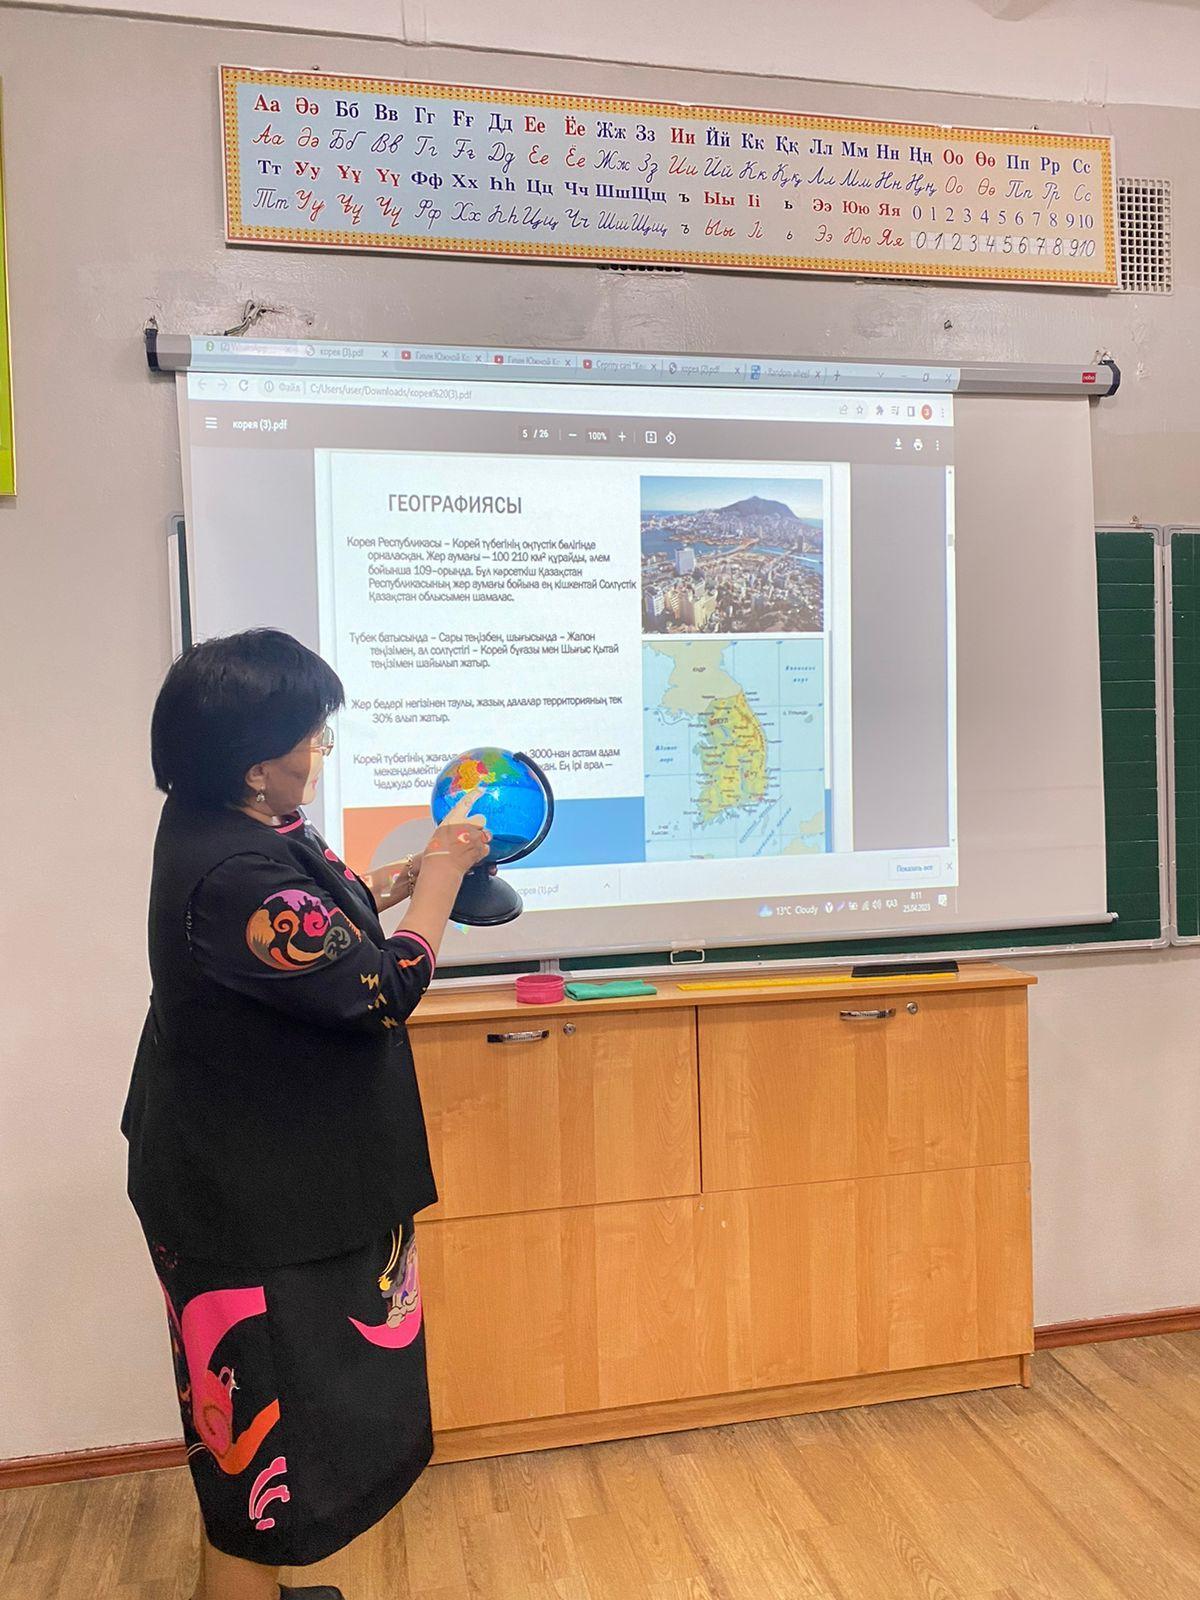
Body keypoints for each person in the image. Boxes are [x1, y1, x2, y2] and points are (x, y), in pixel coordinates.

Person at [121, 629, 490, 1600]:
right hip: (249, 1203)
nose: (320, 751)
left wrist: (401, 878)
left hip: (275, 1176)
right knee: (259, 1444)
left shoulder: (236, 820)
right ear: (255, 763)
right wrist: (441, 886)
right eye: (311, 737)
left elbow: (327, 918)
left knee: (277, 1432)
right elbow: (379, 988)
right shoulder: (233, 872)